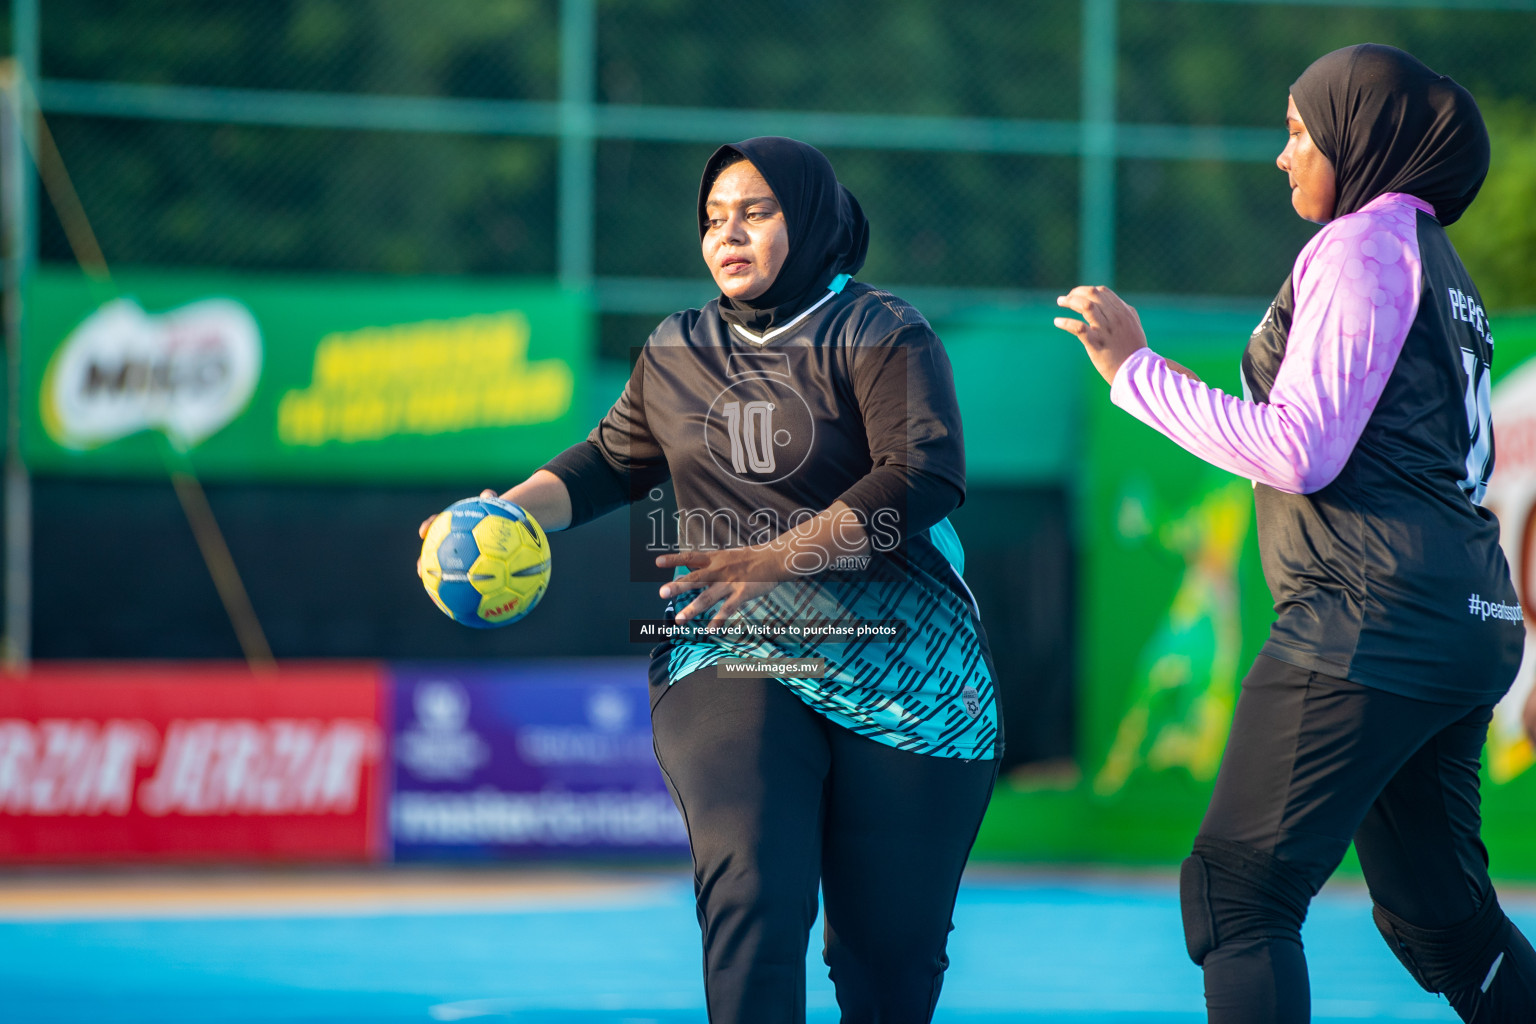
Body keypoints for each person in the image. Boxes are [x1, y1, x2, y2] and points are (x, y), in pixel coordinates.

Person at [422, 136, 1000, 1023]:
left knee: (888, 962)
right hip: (730, 649)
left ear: (807, 219)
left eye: (755, 212)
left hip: (907, 669)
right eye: (712, 218)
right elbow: (608, 463)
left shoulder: (880, 329)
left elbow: (924, 478)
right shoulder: (677, 349)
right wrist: (498, 515)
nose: (727, 233)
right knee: (754, 897)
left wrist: (778, 556)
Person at [1053, 44, 1534, 1023]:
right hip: (1461, 615)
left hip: (1370, 619)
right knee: (1442, 917)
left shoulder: (1364, 245)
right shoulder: (1445, 274)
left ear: (1363, 141)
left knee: (1237, 894)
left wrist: (1135, 372)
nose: (1283, 154)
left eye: (1299, 130)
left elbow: (1301, 451)